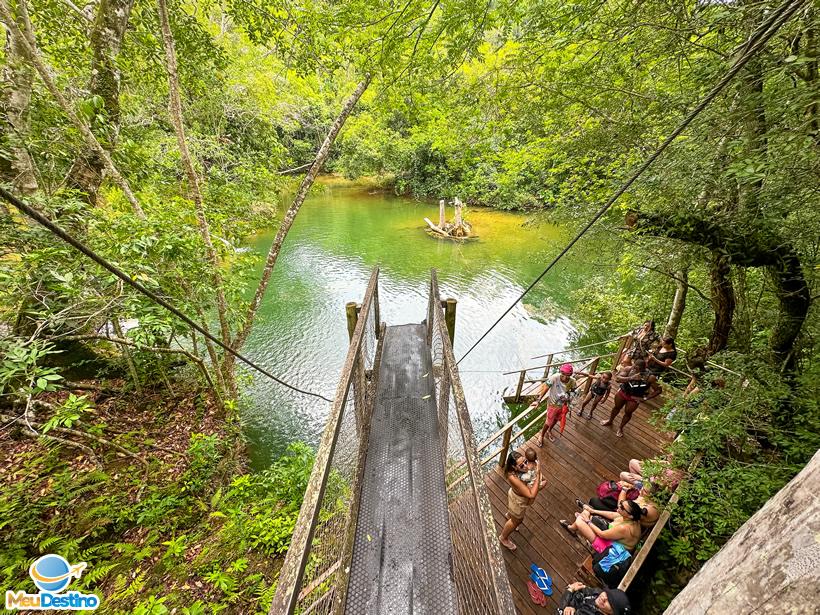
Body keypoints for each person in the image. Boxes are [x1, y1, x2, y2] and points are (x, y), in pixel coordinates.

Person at [601, 359, 661, 437]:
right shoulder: (628, 369)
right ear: (633, 365)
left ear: (644, 368)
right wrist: (631, 377)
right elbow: (617, 379)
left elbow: (658, 390)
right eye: (634, 367)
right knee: (616, 407)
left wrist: (645, 398)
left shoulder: (650, 377)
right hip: (623, 392)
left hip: (635, 397)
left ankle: (620, 428)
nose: (635, 369)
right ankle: (610, 420)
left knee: (628, 413)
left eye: (638, 368)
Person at [559, 499, 645, 553]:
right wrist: (593, 511)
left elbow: (602, 534)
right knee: (587, 513)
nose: (619, 505)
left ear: (630, 515)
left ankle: (572, 527)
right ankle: (584, 514)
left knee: (580, 521)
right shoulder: (633, 519)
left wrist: (588, 522)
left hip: (611, 549)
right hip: (614, 537)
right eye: (621, 503)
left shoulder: (624, 528)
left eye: (622, 507)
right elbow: (613, 515)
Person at [499, 450, 542, 550]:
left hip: (515, 496)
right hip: (518, 501)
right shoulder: (513, 477)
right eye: (521, 466)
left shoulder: (518, 470)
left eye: (525, 462)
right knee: (517, 521)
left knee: (513, 515)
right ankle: (503, 538)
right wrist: (538, 473)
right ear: (514, 467)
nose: (526, 466)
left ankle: (509, 515)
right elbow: (531, 495)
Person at [535, 363, 581, 445]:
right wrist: (538, 400)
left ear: (570, 375)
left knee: (556, 419)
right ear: (561, 372)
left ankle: (549, 431)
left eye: (568, 375)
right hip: (552, 404)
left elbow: (574, 391)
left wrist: (569, 398)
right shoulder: (555, 377)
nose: (565, 377)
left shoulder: (572, 381)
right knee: (548, 422)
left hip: (564, 405)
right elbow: (546, 387)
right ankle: (541, 435)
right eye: (563, 374)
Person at [582, 481, 659, 528]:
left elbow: (620, 507)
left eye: (645, 491)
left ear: (652, 495)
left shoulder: (646, 509)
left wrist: (624, 489)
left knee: (594, 501)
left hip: (627, 520)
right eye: (642, 488)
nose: (641, 491)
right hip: (626, 512)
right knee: (603, 498)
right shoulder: (648, 500)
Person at [558, 582, 631, 615]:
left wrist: (570, 589)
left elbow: (559, 612)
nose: (603, 597)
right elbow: (582, 591)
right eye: (607, 594)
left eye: (609, 602)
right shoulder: (598, 593)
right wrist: (572, 606)